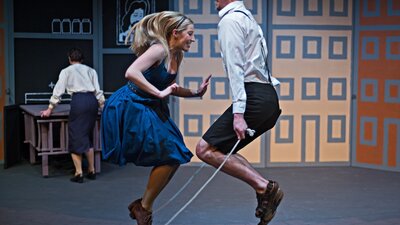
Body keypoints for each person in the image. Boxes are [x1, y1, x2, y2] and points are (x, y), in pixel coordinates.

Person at [101, 11, 211, 225]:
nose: (193, 39)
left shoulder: (177, 55)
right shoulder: (159, 50)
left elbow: (170, 88)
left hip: (150, 105)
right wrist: (159, 94)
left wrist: (195, 93)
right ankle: (143, 208)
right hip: (131, 104)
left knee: (175, 154)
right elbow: (131, 72)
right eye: (190, 34)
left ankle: (143, 206)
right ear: (176, 33)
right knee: (171, 153)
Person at [195, 1, 283, 224]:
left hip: (255, 96)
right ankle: (265, 189)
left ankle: (264, 188)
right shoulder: (246, 17)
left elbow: (235, 69)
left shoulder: (231, 20)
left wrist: (238, 113)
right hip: (266, 96)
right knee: (220, 149)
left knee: (204, 149)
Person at [40, 47, 105, 183]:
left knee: (76, 137)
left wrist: (50, 109)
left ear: (70, 59)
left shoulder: (66, 71)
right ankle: (91, 170)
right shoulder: (91, 71)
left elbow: (58, 91)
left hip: (79, 101)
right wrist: (103, 106)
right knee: (87, 136)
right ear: (82, 60)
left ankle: (79, 173)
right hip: (91, 101)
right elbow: (98, 91)